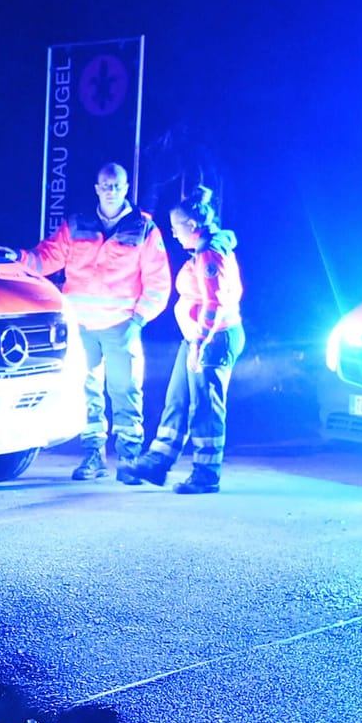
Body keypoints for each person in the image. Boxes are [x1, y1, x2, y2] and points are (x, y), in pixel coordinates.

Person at [20, 163, 172, 482]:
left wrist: (138, 320)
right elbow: (47, 257)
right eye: (105, 185)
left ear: (126, 188)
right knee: (85, 391)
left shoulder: (144, 228)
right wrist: (17, 259)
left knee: (125, 392)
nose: (111, 190)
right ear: (96, 188)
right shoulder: (77, 224)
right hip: (81, 326)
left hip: (121, 326)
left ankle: (129, 460)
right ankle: (93, 455)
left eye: (116, 185)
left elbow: (158, 282)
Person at [119, 185, 244, 494]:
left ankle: (206, 474)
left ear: (191, 226)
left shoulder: (210, 253)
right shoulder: (204, 249)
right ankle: (157, 462)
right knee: (177, 400)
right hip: (197, 339)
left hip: (212, 341)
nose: (173, 234)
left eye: (175, 228)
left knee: (205, 407)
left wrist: (200, 343)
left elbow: (214, 304)